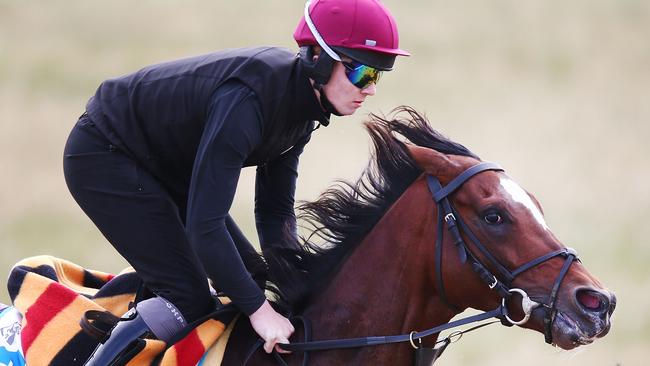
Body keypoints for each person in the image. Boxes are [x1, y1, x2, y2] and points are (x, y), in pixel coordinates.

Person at [63, 0, 409, 363]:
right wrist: (261, 314)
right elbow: (205, 227)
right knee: (189, 297)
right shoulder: (249, 101)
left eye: (377, 76)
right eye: (361, 74)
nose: (369, 90)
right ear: (318, 60)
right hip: (105, 153)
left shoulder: (306, 111)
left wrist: (295, 284)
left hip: (160, 165)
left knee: (254, 275)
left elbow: (274, 212)